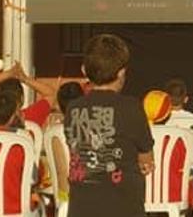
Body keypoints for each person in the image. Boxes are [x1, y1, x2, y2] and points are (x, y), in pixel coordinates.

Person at [64, 34, 153, 217]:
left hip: (81, 208)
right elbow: (145, 157)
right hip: (124, 208)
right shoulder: (132, 107)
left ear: (84, 71)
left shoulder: (73, 109)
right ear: (121, 72)